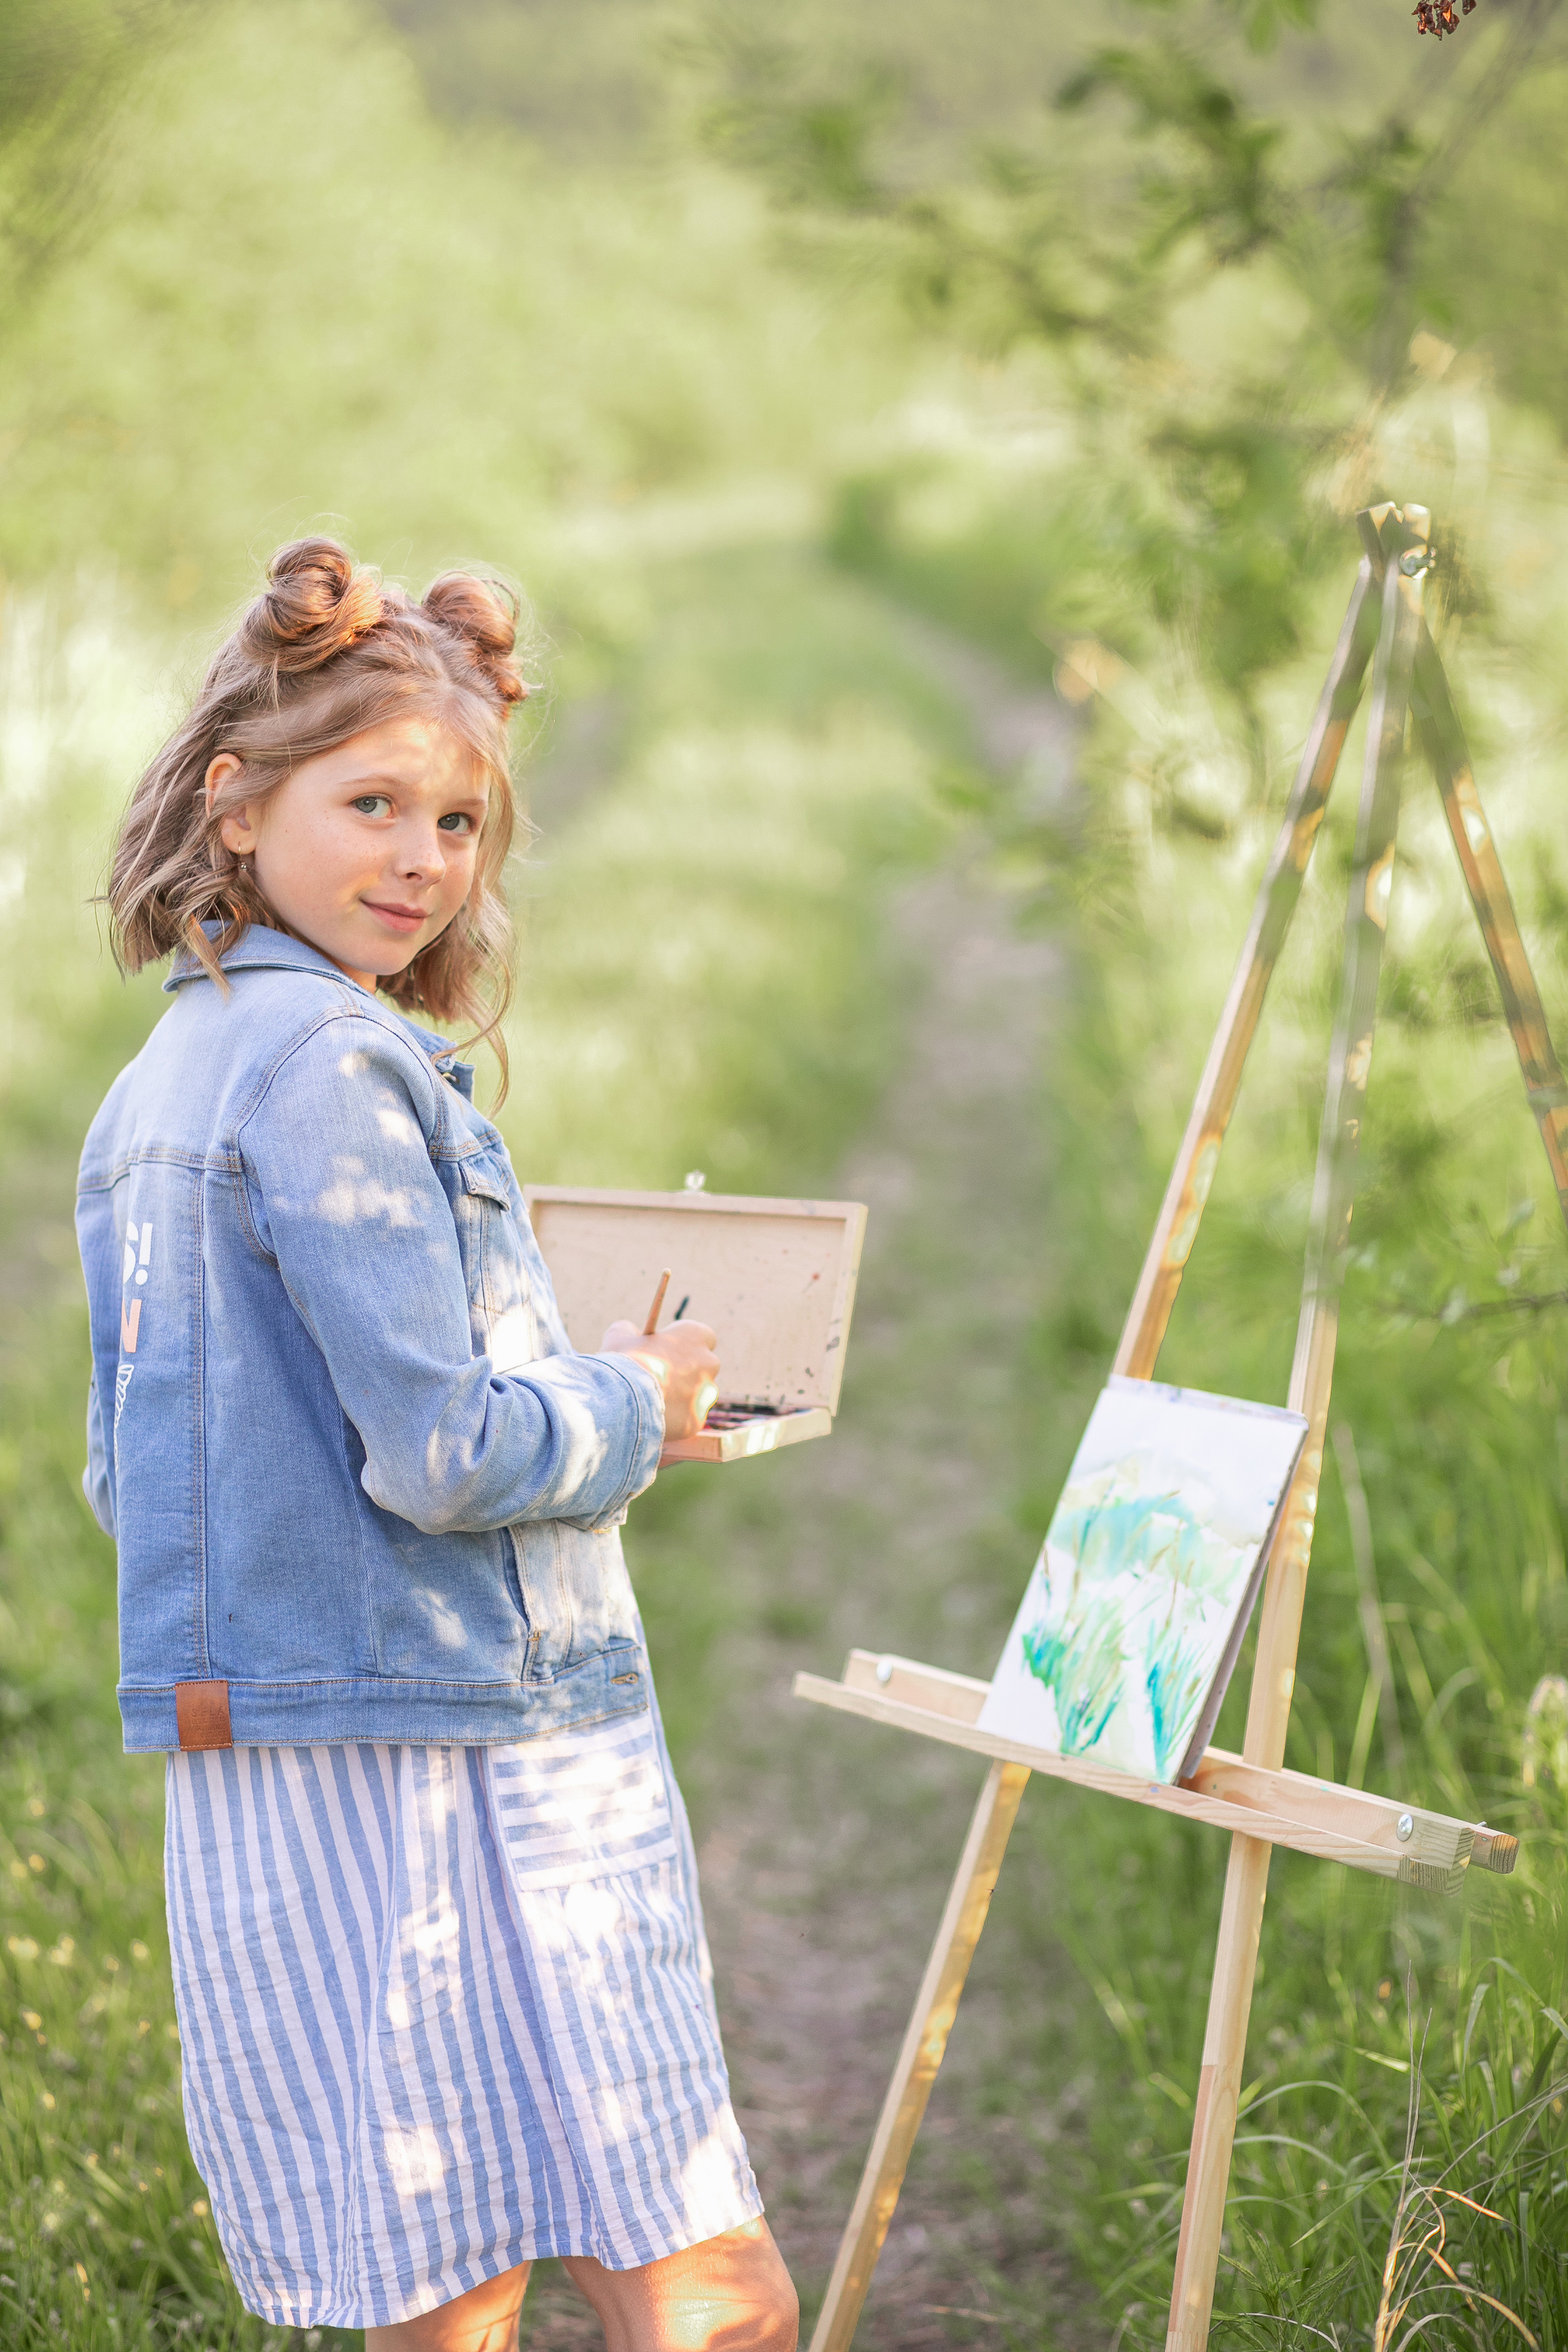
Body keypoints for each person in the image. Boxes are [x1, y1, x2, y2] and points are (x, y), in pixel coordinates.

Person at [74, 538, 799, 2352]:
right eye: (373, 802)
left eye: (461, 823)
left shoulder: (166, 1075)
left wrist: (568, 1394)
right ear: (235, 809)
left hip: (281, 1735)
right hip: (470, 1741)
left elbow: (142, 1466)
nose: (421, 858)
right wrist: (636, 1402)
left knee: (436, 2269)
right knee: (704, 2280)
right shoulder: (335, 1070)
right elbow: (451, 1460)